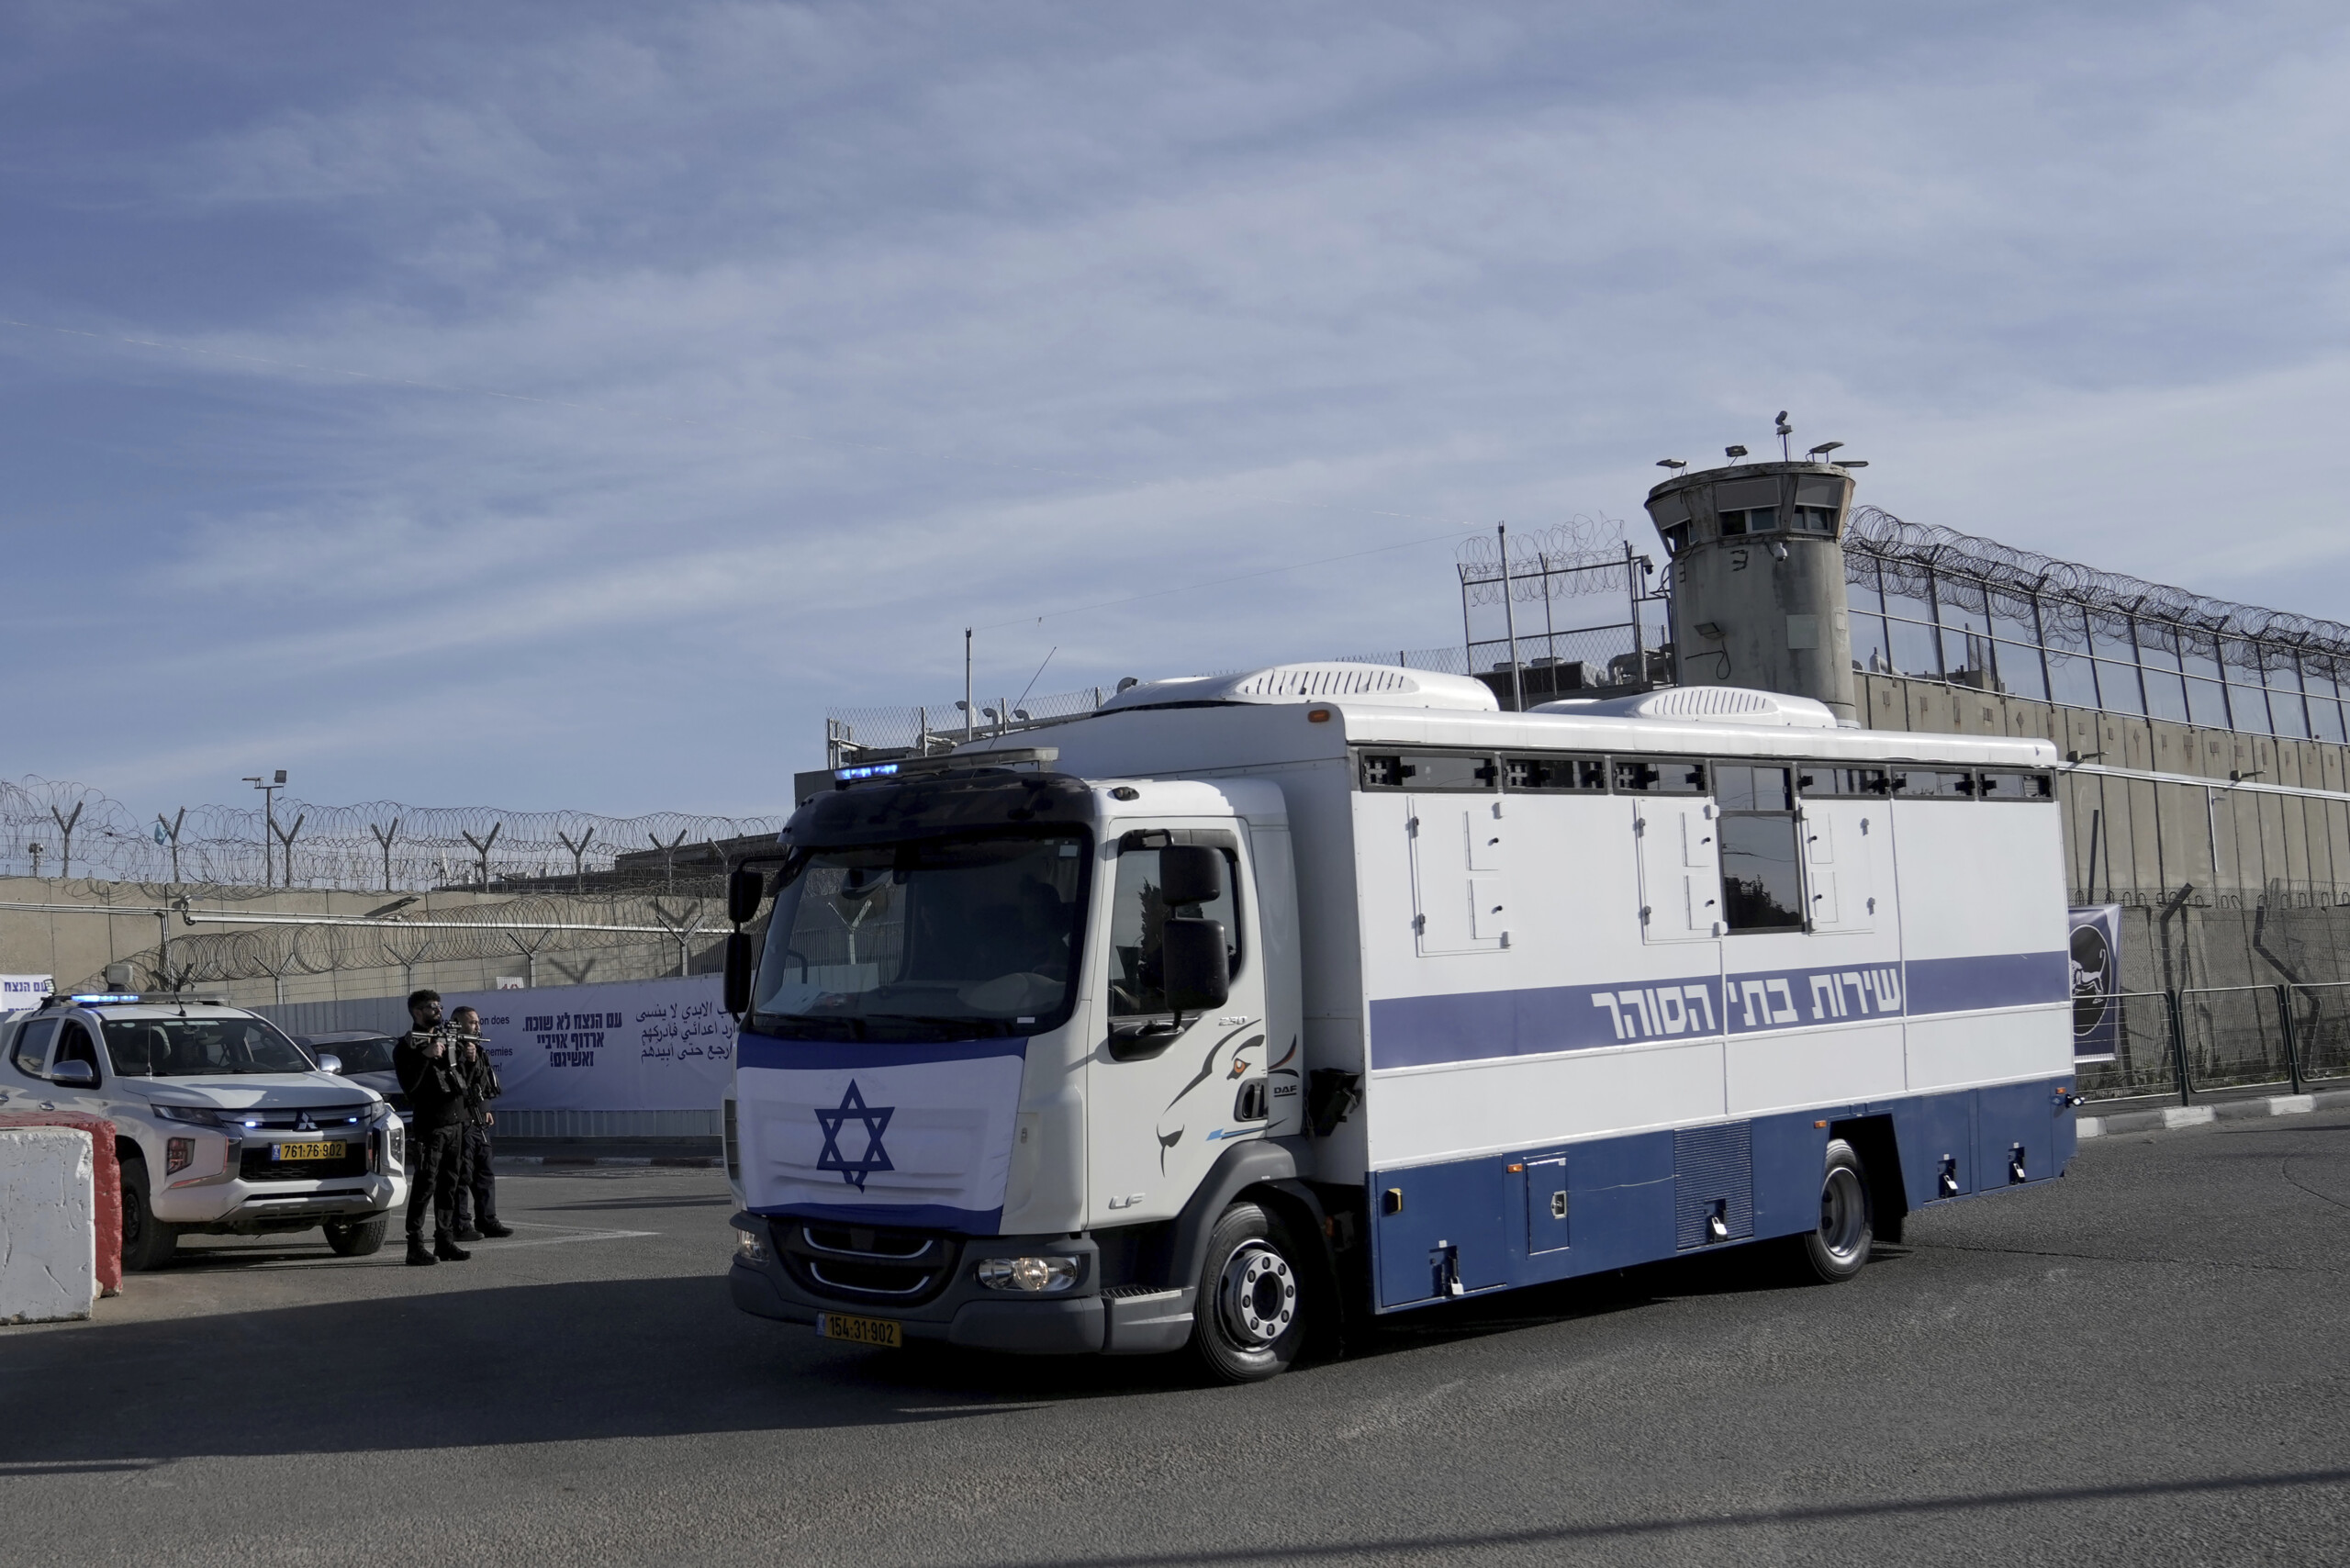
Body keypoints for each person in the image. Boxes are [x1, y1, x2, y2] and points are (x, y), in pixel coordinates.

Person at [393, 989, 471, 1266]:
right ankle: (415, 1245)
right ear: (417, 1012)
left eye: (439, 1006)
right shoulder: (407, 1047)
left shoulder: (448, 1039)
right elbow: (410, 1089)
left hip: (455, 1122)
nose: (438, 1011)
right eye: (431, 1007)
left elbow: (462, 1080)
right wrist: (426, 1055)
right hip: (431, 1125)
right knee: (425, 1186)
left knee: (449, 1185)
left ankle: (445, 1241)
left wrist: (466, 1057)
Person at [449, 1005, 510, 1241]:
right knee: (462, 1175)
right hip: (461, 1121)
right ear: (458, 1023)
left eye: (477, 1022)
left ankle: (487, 1219)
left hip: (479, 1120)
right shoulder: (451, 1051)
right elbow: (458, 1084)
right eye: (471, 1022)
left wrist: (486, 1109)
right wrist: (467, 1060)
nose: (476, 1026)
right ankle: (461, 1225)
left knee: (485, 1172)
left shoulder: (481, 1051)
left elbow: (483, 1085)